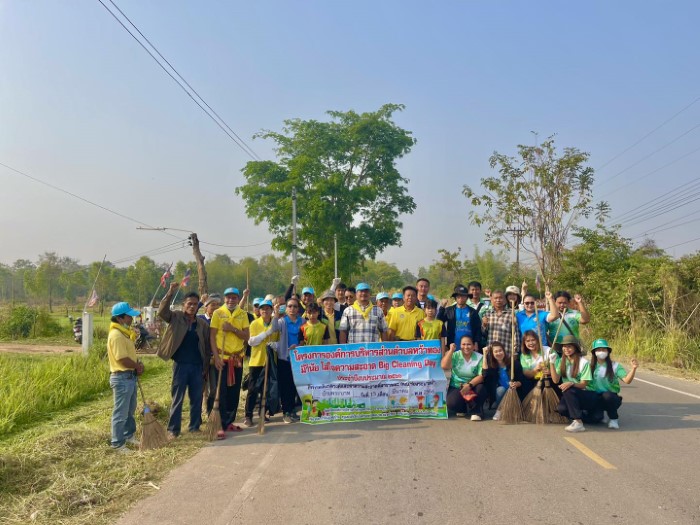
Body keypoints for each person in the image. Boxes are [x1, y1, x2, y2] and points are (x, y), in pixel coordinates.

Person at [156, 283, 212, 439]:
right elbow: (162, 311)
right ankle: (173, 430)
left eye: (195, 304)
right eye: (189, 304)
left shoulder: (201, 324)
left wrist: (206, 366)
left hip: (197, 366)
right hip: (180, 365)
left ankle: (194, 426)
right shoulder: (176, 317)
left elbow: (207, 347)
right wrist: (170, 292)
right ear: (183, 305)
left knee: (196, 398)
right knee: (177, 398)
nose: (192, 307)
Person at [209, 287, 250, 435]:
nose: (231, 300)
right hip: (222, 358)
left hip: (237, 358)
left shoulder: (242, 314)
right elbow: (212, 336)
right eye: (228, 297)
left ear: (238, 299)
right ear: (224, 298)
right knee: (221, 392)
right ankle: (220, 423)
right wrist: (216, 356)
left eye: (234, 298)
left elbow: (246, 336)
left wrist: (232, 329)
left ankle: (229, 422)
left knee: (234, 392)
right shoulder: (218, 313)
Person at [107, 301, 144, 452]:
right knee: (120, 413)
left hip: (129, 377)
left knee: (130, 410)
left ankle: (129, 435)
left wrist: (137, 365)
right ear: (120, 318)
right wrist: (137, 366)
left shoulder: (124, 333)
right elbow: (122, 359)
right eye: (129, 316)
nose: (131, 319)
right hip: (122, 378)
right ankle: (117, 443)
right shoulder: (116, 335)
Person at [587, 339, 638, 429]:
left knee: (608, 396)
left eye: (604, 349)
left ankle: (614, 418)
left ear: (608, 351)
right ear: (594, 352)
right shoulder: (589, 366)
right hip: (594, 397)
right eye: (598, 350)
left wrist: (633, 369)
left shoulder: (615, 366)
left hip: (610, 397)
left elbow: (627, 380)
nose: (601, 352)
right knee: (594, 419)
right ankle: (598, 414)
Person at [270, 297, 306, 423]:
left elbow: (305, 337)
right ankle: (286, 412)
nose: (292, 309)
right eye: (289, 306)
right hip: (284, 358)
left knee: (294, 386)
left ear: (298, 309)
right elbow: (273, 329)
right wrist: (275, 313)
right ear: (286, 308)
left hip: (299, 359)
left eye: (295, 306)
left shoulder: (302, 321)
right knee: (285, 386)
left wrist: (300, 346)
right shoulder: (282, 321)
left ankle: (292, 411)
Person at [549, 335, 594, 433]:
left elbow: (584, 385)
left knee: (568, 389)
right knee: (561, 409)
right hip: (570, 395)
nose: (566, 349)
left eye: (569, 346)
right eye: (564, 346)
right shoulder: (561, 361)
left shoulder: (584, 362)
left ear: (575, 348)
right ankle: (580, 415)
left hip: (585, 394)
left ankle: (578, 422)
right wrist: (552, 363)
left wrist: (571, 383)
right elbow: (556, 380)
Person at [244, 299, 278, 428]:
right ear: (259, 310)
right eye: (262, 309)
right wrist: (267, 333)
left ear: (271, 310)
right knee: (253, 389)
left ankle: (263, 413)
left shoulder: (275, 324)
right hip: (256, 361)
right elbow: (252, 341)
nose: (265, 311)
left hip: (269, 361)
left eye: (267, 308)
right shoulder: (254, 323)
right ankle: (248, 415)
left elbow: (278, 340)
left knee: (267, 388)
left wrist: (275, 345)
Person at [441, 335, 485, 421]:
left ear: (473, 345)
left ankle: (477, 411)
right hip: (457, 386)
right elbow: (444, 366)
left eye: (468, 344)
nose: (466, 347)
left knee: (481, 389)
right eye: (463, 344)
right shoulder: (455, 355)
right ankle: (462, 408)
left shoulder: (479, 357)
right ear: (460, 345)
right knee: (452, 403)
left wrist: (469, 385)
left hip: (473, 385)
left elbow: (481, 376)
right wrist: (451, 351)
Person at [481, 341, 525, 420]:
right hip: (500, 392)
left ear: (504, 351)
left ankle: (510, 409)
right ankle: (499, 410)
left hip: (514, 392)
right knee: (500, 390)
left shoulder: (514, 363)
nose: (499, 353)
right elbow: (484, 374)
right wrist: (484, 355)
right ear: (492, 354)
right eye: (496, 352)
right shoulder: (492, 365)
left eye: (500, 350)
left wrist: (516, 384)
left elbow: (521, 380)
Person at [438, 284, 482, 352]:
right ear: (455, 298)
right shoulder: (449, 310)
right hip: (453, 345)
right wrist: (442, 307)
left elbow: (477, 328)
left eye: (463, 296)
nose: (461, 298)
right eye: (458, 296)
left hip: (468, 347)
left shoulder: (473, 312)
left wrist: (476, 343)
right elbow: (439, 321)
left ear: (467, 297)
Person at [482, 290, 521, 356]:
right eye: (496, 298)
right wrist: (484, 325)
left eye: (500, 298)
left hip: (506, 351)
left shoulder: (511, 314)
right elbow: (484, 333)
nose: (498, 300)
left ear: (505, 300)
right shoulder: (488, 314)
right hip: (491, 351)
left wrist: (516, 351)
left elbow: (515, 333)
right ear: (492, 300)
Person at [519, 330, 551, 397]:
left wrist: (549, 371)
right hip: (532, 381)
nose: (531, 343)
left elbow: (558, 369)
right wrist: (536, 369)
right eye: (527, 341)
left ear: (537, 340)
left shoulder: (548, 350)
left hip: (548, 380)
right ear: (524, 343)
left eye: (533, 340)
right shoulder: (524, 355)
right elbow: (526, 374)